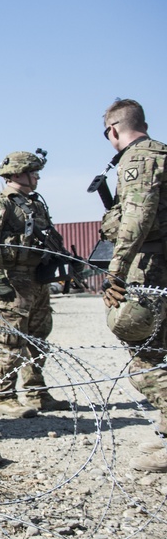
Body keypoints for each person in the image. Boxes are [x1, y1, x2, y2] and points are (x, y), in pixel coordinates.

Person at [99, 99, 167, 472]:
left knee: (142, 356)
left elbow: (136, 220)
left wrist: (117, 272)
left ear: (113, 130)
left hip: (151, 269)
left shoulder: (138, 159)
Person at [0, 151, 72, 418]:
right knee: (10, 339)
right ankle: (5, 396)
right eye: (33, 172)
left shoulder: (35, 204)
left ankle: (37, 392)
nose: (37, 176)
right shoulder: (0, 206)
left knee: (38, 337)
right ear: (17, 174)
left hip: (37, 278)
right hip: (13, 279)